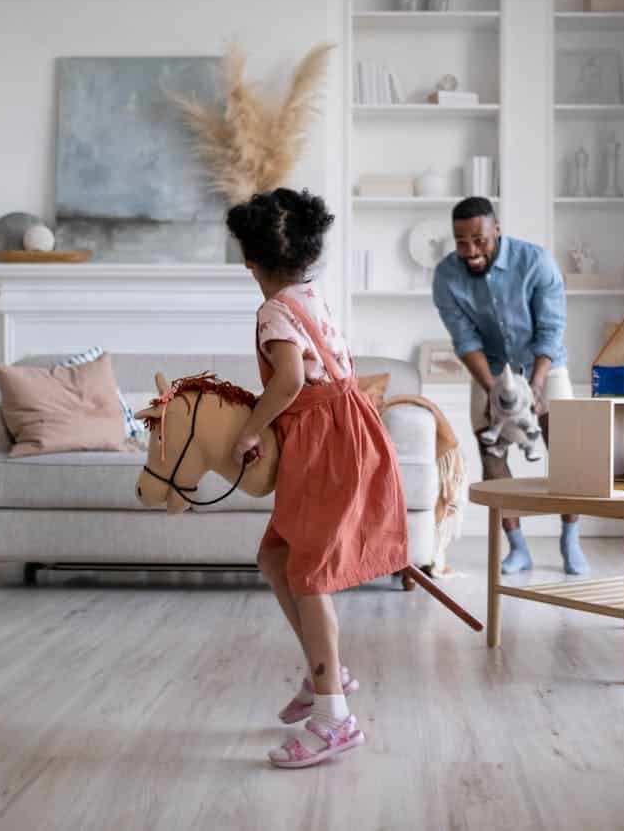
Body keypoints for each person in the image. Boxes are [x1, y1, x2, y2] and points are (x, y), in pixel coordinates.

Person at [228, 187, 408, 769]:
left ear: (249, 263)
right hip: (341, 434)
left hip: (328, 447)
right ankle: (322, 670)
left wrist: (253, 430)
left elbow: (285, 384)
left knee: (307, 576)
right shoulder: (310, 296)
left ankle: (334, 718)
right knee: (277, 557)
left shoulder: (274, 309)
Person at [431, 196, 587, 576]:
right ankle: (518, 548)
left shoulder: (536, 262)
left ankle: (571, 540)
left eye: (479, 240)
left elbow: (550, 329)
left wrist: (534, 386)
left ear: (496, 229)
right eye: (461, 242)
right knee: (492, 456)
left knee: (568, 453)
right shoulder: (446, 276)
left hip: (543, 366)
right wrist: (493, 390)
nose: (470, 251)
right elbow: (465, 340)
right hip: (489, 369)